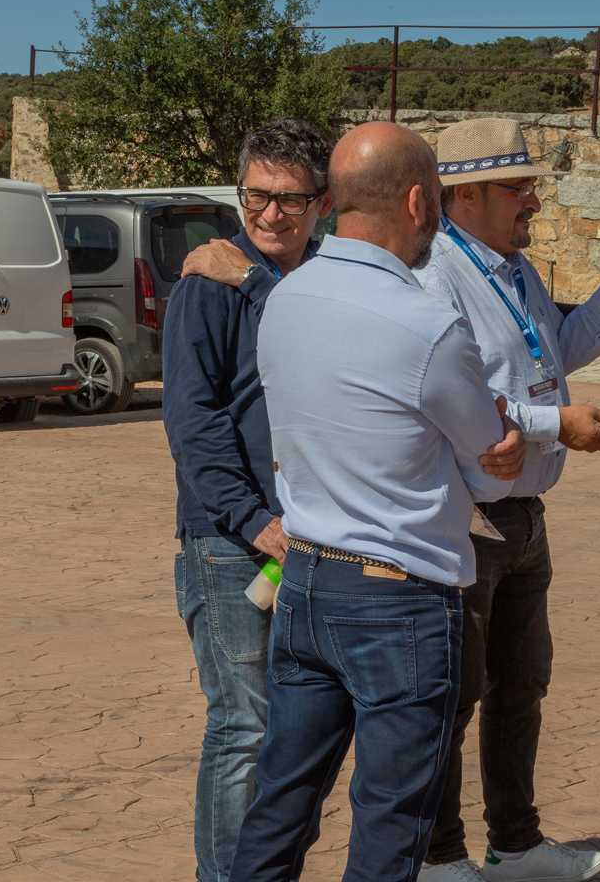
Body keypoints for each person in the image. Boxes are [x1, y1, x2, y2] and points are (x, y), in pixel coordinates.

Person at [226, 121, 528, 882]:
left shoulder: (286, 298)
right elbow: (491, 470)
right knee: (392, 823)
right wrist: (499, 445)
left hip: (305, 581)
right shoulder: (428, 324)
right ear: (419, 202)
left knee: (281, 801)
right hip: (398, 600)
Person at [415, 118, 600, 882]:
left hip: (522, 518)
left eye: (532, 186)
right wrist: (559, 426)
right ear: (466, 195)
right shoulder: (433, 276)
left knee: (521, 687)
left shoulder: (513, 267)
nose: (534, 200)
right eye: (519, 187)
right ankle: (437, 858)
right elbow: (455, 401)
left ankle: (515, 846)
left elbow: (554, 350)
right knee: (452, 696)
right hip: (466, 521)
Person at [163, 117, 332, 882]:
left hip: (318, 537)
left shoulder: (325, 281)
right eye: (256, 195)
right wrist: (253, 521)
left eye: (289, 199)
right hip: (234, 545)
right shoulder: (205, 287)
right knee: (244, 726)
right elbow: (193, 422)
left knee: (299, 731)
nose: (270, 214)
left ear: (323, 204)